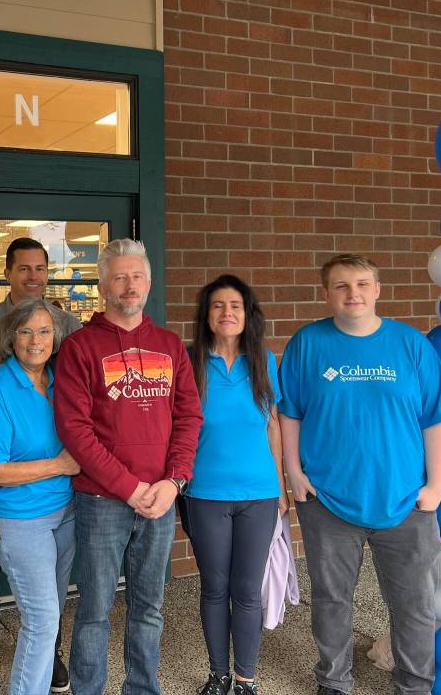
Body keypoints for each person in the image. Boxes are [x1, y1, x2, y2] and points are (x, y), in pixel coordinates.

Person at [278, 254, 441, 695]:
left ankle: (415, 683)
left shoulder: (411, 345)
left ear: (377, 290)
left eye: (361, 284)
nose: (352, 293)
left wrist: (437, 485)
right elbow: (289, 414)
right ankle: (334, 682)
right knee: (332, 600)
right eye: (340, 286)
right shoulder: (308, 343)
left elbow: (436, 418)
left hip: (406, 499)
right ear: (327, 294)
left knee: (414, 603)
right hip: (328, 500)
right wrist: (293, 472)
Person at [54, 237, 203, 695]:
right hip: (102, 499)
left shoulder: (169, 345)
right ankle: (89, 689)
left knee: (149, 606)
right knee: (96, 608)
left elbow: (189, 415)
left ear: (149, 282)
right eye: (119, 276)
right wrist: (127, 486)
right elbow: (75, 429)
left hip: (159, 498)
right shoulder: (81, 347)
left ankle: (142, 688)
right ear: (102, 286)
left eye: (137, 275)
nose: (129, 284)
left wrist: (173, 481)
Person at [0, 236, 81, 695]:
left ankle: (39, 670)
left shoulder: (58, 379)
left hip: (65, 513)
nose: (37, 340)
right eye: (27, 333)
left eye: (45, 333)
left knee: (48, 614)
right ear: (10, 338)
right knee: (41, 617)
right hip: (17, 515)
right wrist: (59, 465)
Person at [186, 275, 288, 695]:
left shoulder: (263, 360)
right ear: (206, 315)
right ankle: (218, 674)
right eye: (217, 306)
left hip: (259, 494)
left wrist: (281, 486)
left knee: (246, 589)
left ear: (248, 315)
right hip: (204, 492)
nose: (227, 313)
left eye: (235, 306)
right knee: (214, 586)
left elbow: (273, 425)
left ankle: (245, 679)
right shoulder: (189, 361)